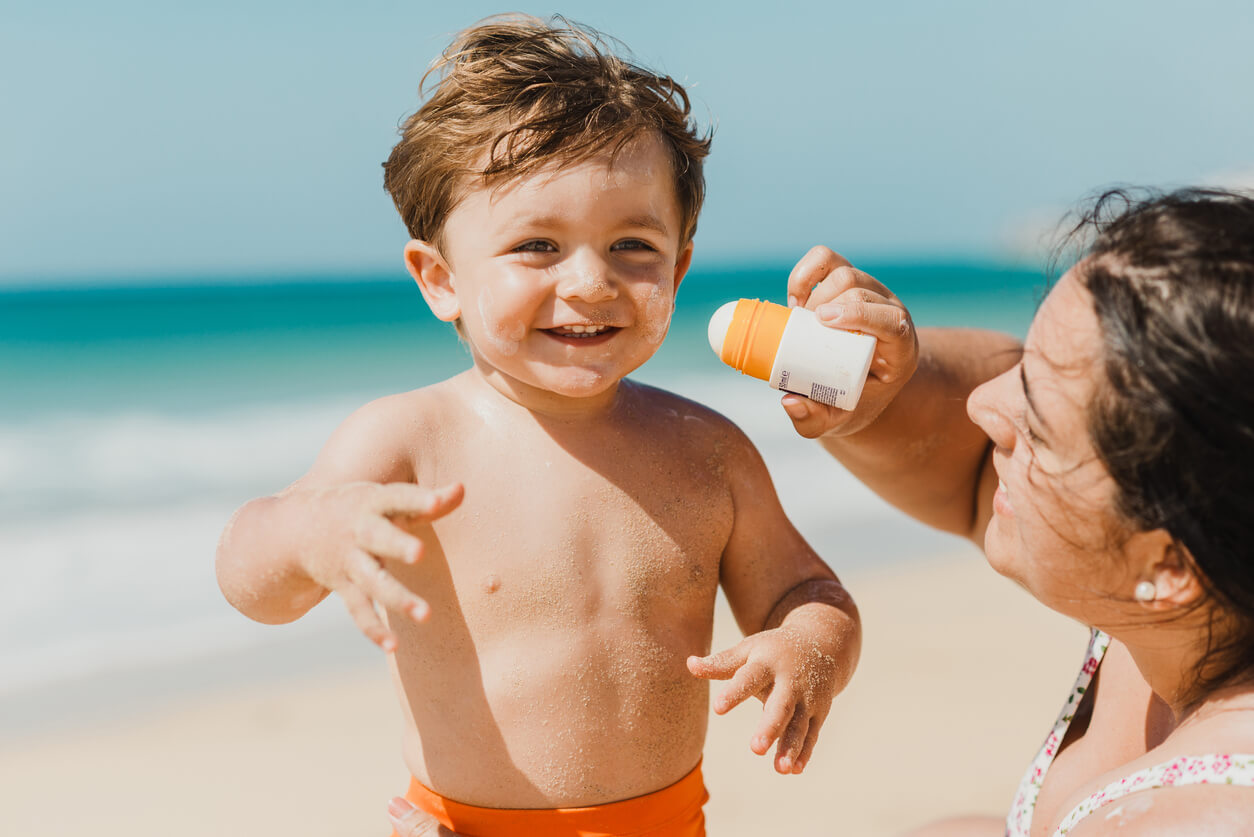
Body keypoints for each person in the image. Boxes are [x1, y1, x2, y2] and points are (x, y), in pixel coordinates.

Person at [214, 15, 862, 837]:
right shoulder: (410, 441)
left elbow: (808, 591)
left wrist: (808, 647)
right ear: (441, 279)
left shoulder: (709, 452)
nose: (590, 281)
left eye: (632, 244)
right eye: (537, 245)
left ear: (680, 263)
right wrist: (313, 530)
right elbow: (247, 573)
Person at [771, 187, 1254, 836]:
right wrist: (890, 385)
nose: (983, 406)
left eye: (1040, 422)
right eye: (1028, 362)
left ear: (1169, 563)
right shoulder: (1197, 598)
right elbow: (970, 466)